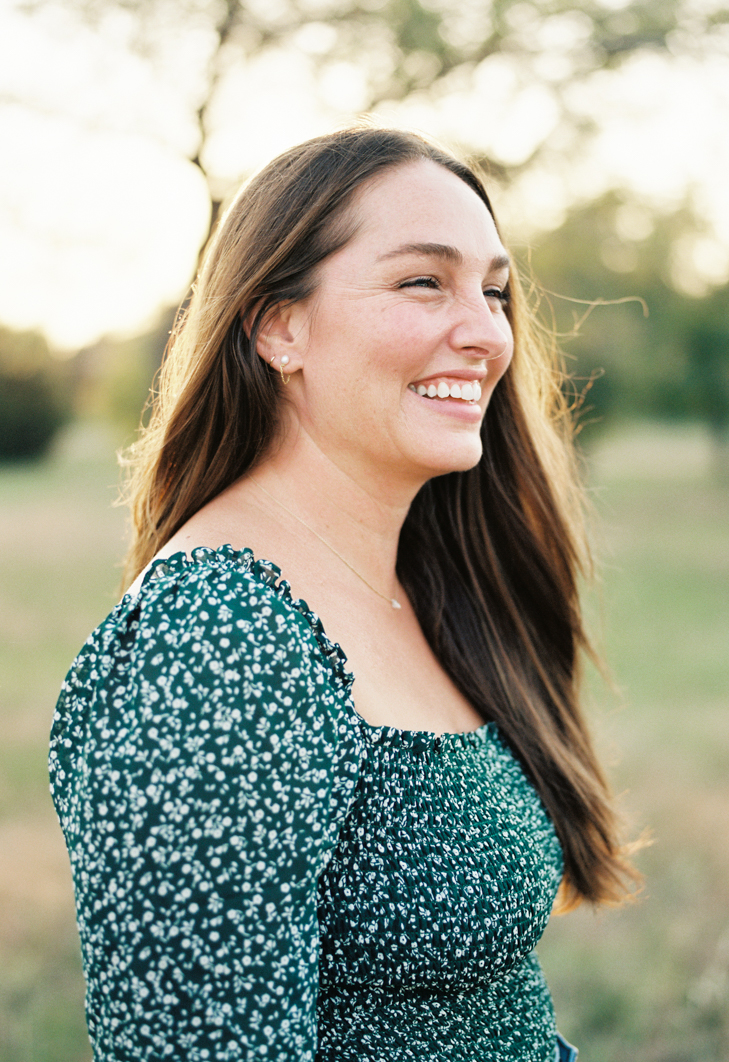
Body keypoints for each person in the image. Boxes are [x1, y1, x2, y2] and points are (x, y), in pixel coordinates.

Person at [50, 127, 637, 1062]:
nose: (489, 332)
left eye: (493, 291)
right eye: (422, 282)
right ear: (277, 325)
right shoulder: (218, 638)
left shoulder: (423, 583)